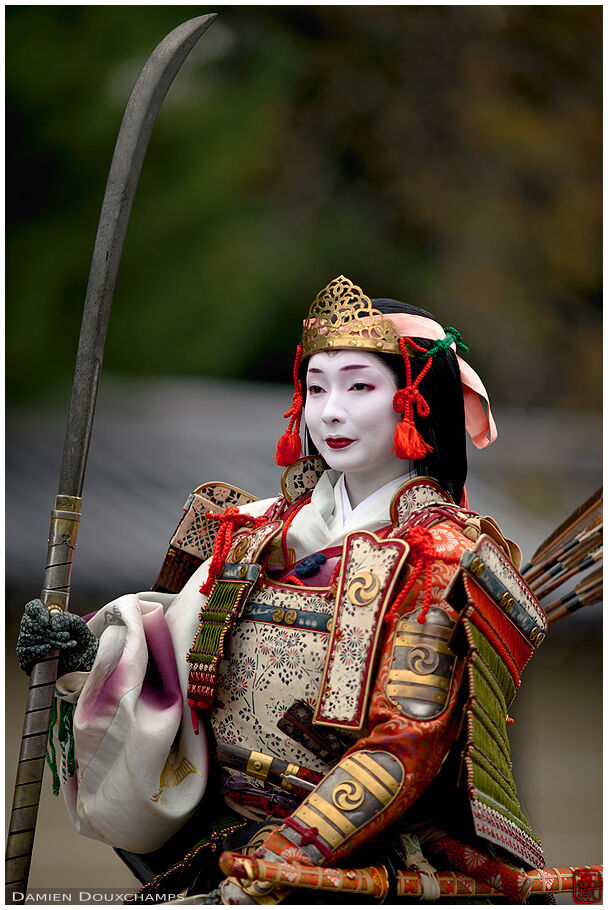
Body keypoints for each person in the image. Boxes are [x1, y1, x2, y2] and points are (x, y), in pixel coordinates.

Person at [17, 276, 547, 903]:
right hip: (219, 843)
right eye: (317, 386)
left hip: (356, 867)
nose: (330, 411)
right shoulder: (247, 530)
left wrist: (287, 857)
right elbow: (173, 662)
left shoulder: (444, 558)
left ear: (415, 398)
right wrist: (90, 657)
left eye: (360, 385)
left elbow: (406, 743)